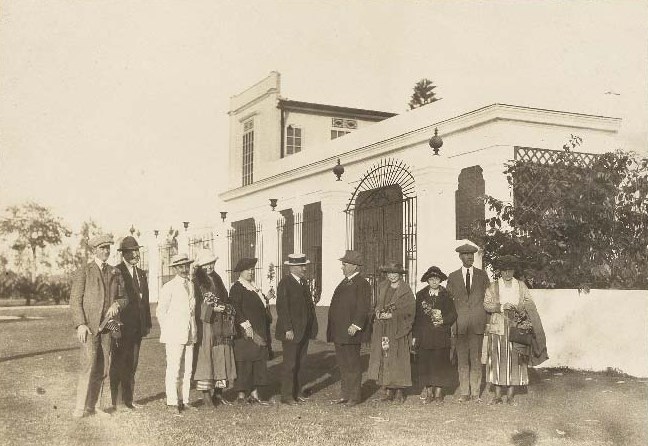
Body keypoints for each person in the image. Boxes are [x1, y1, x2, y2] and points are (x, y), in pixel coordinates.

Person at [70, 234, 127, 418]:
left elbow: (124, 297)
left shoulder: (115, 272)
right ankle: (80, 406)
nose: (105, 251)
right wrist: (80, 324)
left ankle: (95, 406)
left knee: (103, 367)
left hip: (108, 328)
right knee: (88, 365)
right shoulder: (84, 271)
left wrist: (116, 304)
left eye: (107, 248)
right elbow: (75, 301)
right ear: (94, 250)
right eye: (102, 248)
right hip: (89, 328)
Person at [483, 255, 548, 405]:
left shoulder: (521, 286)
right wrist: (500, 307)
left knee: (515, 359)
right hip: (498, 326)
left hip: (517, 326)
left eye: (510, 270)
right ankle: (498, 395)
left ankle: (511, 395)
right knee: (498, 358)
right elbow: (486, 304)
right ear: (500, 271)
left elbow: (529, 302)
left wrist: (520, 309)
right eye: (504, 270)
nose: (507, 273)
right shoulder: (493, 286)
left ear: (513, 271)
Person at [110, 235, 152, 411]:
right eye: (131, 251)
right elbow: (114, 299)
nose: (136, 254)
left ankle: (129, 399)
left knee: (133, 363)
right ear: (123, 254)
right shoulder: (117, 271)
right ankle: (118, 401)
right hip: (122, 327)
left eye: (137, 250)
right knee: (120, 362)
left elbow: (145, 301)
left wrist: (147, 323)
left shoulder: (141, 274)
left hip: (138, 327)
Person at [446, 243, 490, 403]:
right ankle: (465, 392)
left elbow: (489, 298)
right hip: (460, 325)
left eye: (472, 254)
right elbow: (448, 302)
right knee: (462, 359)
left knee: (476, 359)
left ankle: (475, 393)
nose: (469, 257)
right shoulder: (452, 277)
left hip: (477, 324)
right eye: (466, 254)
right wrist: (451, 324)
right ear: (460, 257)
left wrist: (488, 322)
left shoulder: (482, 275)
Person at [326, 250, 372, 407]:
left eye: (344, 265)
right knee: (343, 364)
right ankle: (345, 394)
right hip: (340, 332)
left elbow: (363, 307)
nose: (342, 267)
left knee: (352, 364)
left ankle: (354, 396)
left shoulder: (362, 284)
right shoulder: (344, 282)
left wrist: (356, 325)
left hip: (351, 331)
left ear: (354, 266)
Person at [192, 249, 237, 408]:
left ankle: (219, 393)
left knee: (222, 355)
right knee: (207, 358)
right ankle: (206, 395)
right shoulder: (197, 282)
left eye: (211, 263)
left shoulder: (217, 279)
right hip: (207, 325)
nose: (210, 266)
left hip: (221, 324)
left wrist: (225, 307)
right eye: (206, 264)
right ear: (200, 266)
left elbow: (224, 297)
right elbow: (196, 305)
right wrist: (211, 309)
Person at [367, 261, 416, 404]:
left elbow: (410, 311)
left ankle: (399, 391)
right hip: (384, 330)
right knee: (385, 356)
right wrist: (377, 312)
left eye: (395, 273)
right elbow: (378, 304)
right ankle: (388, 389)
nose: (392, 276)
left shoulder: (406, 290)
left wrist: (393, 316)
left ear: (400, 275)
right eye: (390, 273)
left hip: (398, 330)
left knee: (399, 359)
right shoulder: (383, 287)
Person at [275, 253, 319, 405]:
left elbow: (309, 307)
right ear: (293, 267)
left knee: (301, 363)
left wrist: (312, 326)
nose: (304, 269)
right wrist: (288, 328)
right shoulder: (285, 283)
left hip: (303, 331)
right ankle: (286, 396)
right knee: (290, 364)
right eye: (302, 266)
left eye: (304, 266)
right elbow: (282, 308)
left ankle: (297, 392)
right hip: (291, 332)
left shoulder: (303, 283)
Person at [157, 253, 198, 414]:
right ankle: (172, 402)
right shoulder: (169, 287)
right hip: (174, 333)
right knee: (173, 368)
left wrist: (192, 329)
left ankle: (185, 400)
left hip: (189, 332)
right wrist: (169, 330)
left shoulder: (191, 285)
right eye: (180, 266)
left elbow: (191, 310)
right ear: (175, 268)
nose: (184, 269)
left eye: (186, 266)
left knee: (187, 369)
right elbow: (161, 312)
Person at [412, 266, 457, 404]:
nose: (434, 282)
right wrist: (415, 336)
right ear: (427, 281)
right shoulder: (420, 295)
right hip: (424, 336)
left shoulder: (447, 295)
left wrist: (444, 320)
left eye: (436, 279)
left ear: (440, 280)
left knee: (440, 364)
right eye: (431, 279)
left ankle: (438, 393)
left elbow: (453, 314)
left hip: (440, 335)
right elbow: (416, 317)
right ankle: (429, 392)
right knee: (426, 364)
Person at [230, 257, 271, 405]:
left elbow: (257, 306)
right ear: (241, 272)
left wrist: (266, 298)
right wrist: (247, 327)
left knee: (257, 362)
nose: (251, 272)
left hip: (259, 329)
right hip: (245, 332)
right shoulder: (237, 288)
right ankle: (241, 395)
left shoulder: (252, 286)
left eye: (252, 269)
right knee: (244, 362)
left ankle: (254, 394)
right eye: (248, 269)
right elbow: (236, 309)